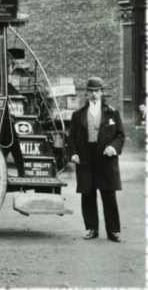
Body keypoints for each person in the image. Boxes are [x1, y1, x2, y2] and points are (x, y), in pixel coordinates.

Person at [68, 77, 125, 242]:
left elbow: (120, 135)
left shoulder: (112, 112)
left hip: (105, 158)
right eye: (91, 91)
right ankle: (91, 229)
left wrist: (113, 147)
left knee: (108, 194)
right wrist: (73, 153)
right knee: (88, 193)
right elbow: (71, 138)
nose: (93, 94)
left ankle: (113, 231)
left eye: (97, 91)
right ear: (86, 94)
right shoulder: (78, 115)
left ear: (102, 92)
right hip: (85, 157)